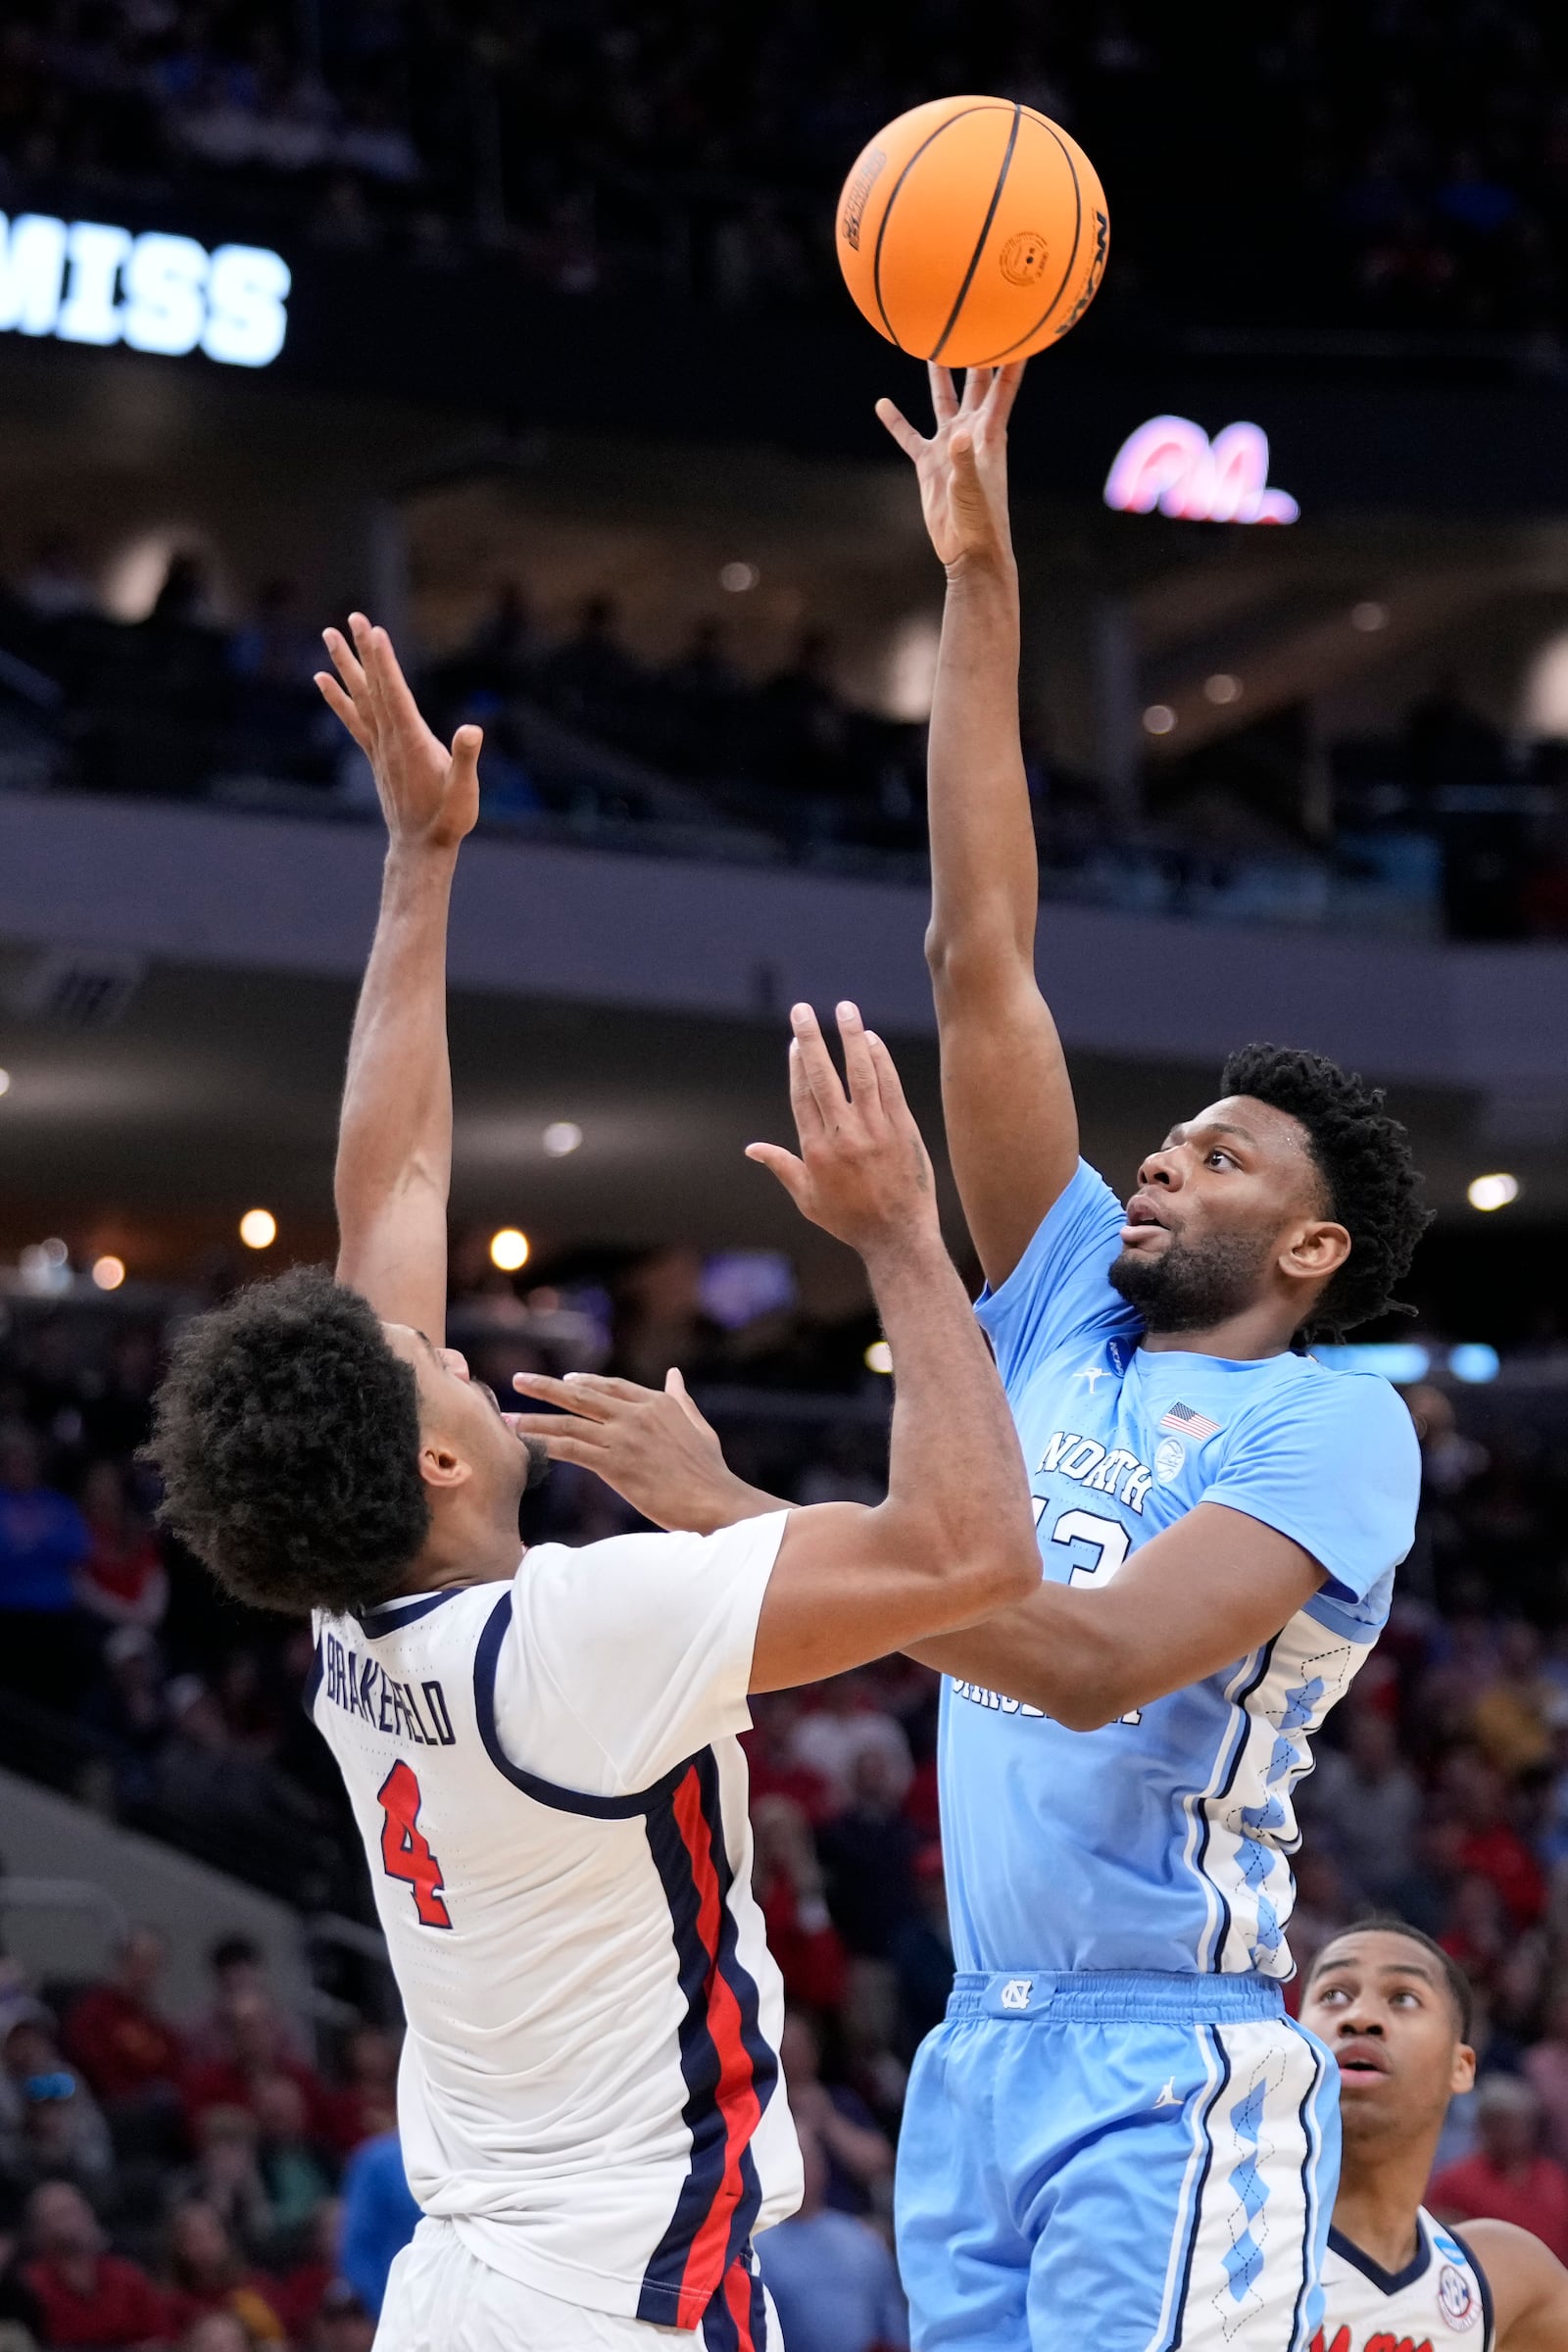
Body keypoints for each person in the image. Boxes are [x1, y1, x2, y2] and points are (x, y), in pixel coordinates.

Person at [523, 362, 1432, 2350]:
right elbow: (977, 955)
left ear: (1306, 1243)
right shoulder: (1058, 1310)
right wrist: (981, 574)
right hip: (973, 2051)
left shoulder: (1327, 1426)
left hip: (1162, 2063)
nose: (1160, 1157)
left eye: (1214, 1157)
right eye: (1167, 1135)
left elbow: (1098, 1666)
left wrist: (751, 1520)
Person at [146, 615, 1039, 2351]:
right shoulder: (571, 1638)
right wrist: (903, 1240)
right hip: (622, 2300)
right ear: (432, 1459)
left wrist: (422, 862)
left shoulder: (361, 1621)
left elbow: (392, 1184)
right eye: (431, 1364)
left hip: (474, 2280)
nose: (448, 1338)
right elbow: (975, 1551)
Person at [1300, 1920, 1568, 2348]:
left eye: (1403, 1997)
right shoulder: (1207, 2234)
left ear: (1460, 2067)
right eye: (1334, 1995)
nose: (1360, 2017)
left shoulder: (1507, 2279)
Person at [754, 2126, 907, 2352]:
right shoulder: (754, 2248)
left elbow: (894, 2329)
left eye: (807, 2158)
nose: (802, 2169)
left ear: (822, 2164)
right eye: (792, 2160)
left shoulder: (862, 2239)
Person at [1430, 2076, 1568, 2264]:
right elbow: (1437, 2244)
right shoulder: (1455, 2182)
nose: (1512, 2131)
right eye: (1501, 2123)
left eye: (1519, 2122)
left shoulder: (1553, 2177)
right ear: (1484, 2126)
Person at [21, 2180, 170, 2349]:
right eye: (58, 2215)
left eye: (74, 2211)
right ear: (39, 2229)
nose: (71, 2221)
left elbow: (160, 2339)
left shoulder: (128, 2276)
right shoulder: (29, 2286)